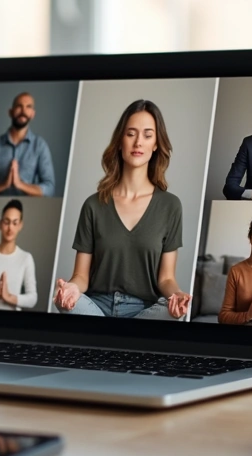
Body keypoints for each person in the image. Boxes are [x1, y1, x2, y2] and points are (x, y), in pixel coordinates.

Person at [53, 99, 191, 320]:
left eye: (147, 135)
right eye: (131, 134)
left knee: (171, 312)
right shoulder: (93, 205)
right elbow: (81, 276)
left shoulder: (170, 206)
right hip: (95, 308)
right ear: (120, 141)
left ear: (156, 144)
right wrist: (70, 289)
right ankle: (119, 341)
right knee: (68, 302)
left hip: (144, 312)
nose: (138, 142)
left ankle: (106, 341)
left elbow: (166, 279)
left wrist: (178, 296)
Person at [0, 92, 56, 196]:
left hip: (30, 209)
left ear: (33, 114)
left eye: (28, 107)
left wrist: (19, 184)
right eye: (19, 106)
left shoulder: (40, 146)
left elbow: (49, 189)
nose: (23, 111)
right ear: (10, 112)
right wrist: (4, 185)